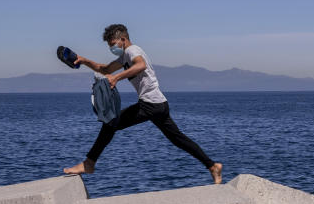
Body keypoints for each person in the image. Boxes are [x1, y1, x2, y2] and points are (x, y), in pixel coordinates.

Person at [63, 24, 222, 184]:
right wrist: (84, 61)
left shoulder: (133, 51)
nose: (111, 48)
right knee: (178, 139)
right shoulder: (125, 56)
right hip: (159, 104)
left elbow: (141, 65)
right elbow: (105, 69)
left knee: (111, 123)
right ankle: (212, 166)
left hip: (150, 105)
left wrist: (117, 78)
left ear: (123, 40)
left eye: (112, 45)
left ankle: (89, 163)